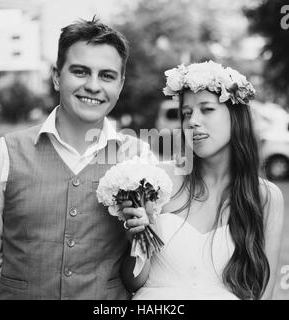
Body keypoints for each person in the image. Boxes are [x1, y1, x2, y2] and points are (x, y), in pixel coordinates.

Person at [0, 17, 155, 300]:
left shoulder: (140, 158)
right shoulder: (5, 152)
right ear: (56, 76)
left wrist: (137, 241)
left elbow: (140, 281)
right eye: (80, 71)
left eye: (106, 75)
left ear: (121, 84)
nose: (93, 86)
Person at [120, 61, 284, 300]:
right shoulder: (160, 181)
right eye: (186, 113)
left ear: (235, 116)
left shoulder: (266, 197)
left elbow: (264, 293)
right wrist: (139, 238)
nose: (192, 121)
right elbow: (133, 282)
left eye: (206, 109)